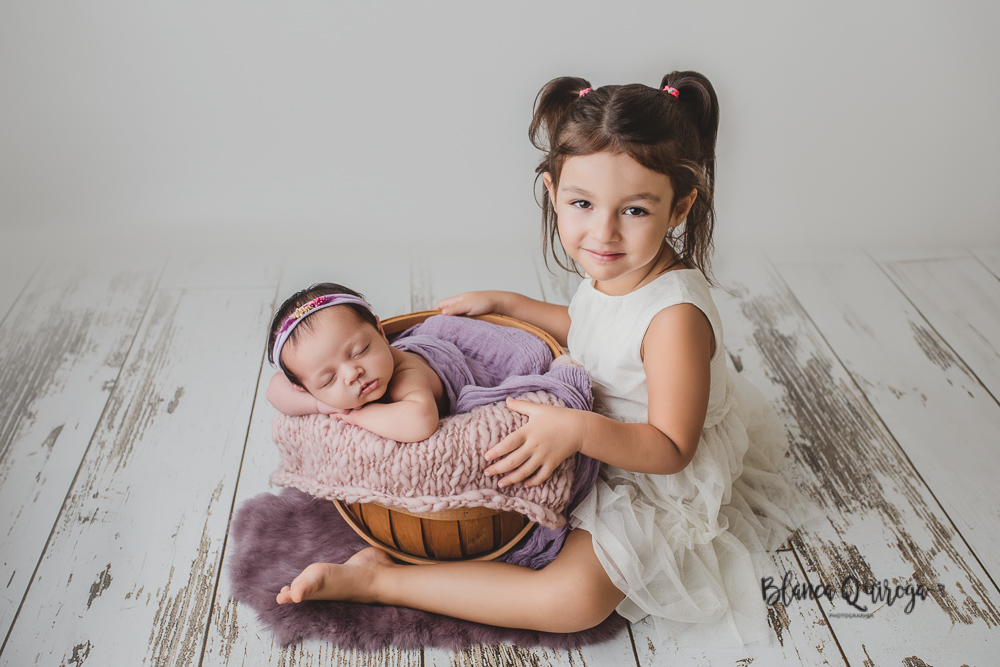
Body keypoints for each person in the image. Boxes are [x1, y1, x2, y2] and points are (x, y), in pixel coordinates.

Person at [275, 71, 799, 646]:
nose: (602, 232)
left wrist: (576, 430)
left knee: (570, 601)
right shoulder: (619, 268)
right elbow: (597, 332)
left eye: (635, 211)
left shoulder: (675, 317)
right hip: (589, 433)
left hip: (644, 469)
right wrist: (510, 303)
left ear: (679, 208)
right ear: (553, 192)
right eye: (582, 203)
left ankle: (383, 583)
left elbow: (673, 448)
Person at [266, 283, 445, 443]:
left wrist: (357, 416)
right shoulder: (313, 381)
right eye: (328, 379)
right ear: (304, 388)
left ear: (380, 331)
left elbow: (421, 422)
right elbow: (274, 390)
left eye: (360, 351)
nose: (352, 374)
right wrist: (320, 405)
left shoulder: (405, 374)